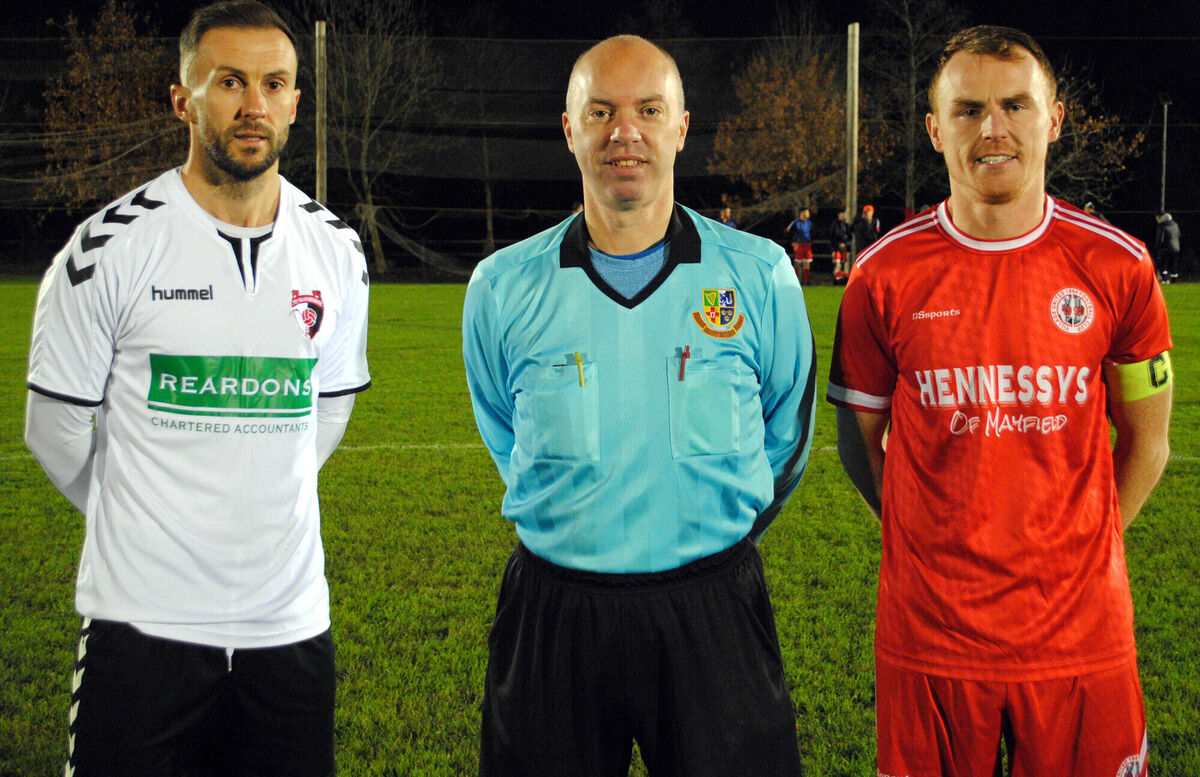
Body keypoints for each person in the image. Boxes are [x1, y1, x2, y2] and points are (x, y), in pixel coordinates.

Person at [24, 2, 371, 775]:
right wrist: (148, 516)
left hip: (289, 629)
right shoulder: (106, 250)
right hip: (142, 627)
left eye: (274, 84)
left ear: (294, 103)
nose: (254, 105)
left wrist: (245, 493)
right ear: (183, 98)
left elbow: (330, 410)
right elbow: (53, 434)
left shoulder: (337, 252)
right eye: (230, 82)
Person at [462, 34, 815, 777]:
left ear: (681, 127)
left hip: (712, 611)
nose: (626, 132)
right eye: (601, 111)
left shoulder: (760, 275)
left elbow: (786, 438)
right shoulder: (501, 287)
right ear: (570, 129)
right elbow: (503, 428)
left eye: (650, 110)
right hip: (554, 616)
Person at [828, 25, 1172, 777]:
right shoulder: (880, 276)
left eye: (1016, 105)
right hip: (932, 635)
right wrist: (919, 534)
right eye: (969, 109)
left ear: (1053, 120)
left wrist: (1083, 551)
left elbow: (1150, 441)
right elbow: (859, 437)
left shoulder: (1119, 266)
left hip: (1082, 634)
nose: (993, 129)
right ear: (935, 128)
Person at [785, 206, 813, 284]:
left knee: (807, 262)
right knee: (797, 262)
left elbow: (810, 232)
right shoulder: (795, 222)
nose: (808, 214)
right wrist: (793, 241)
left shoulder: (809, 222)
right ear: (802, 213)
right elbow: (787, 231)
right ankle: (796, 280)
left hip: (807, 244)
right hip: (798, 244)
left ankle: (806, 281)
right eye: (806, 212)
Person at [1155, 211, 1181, 283]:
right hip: (1176, 248)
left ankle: (1164, 279)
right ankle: (1174, 281)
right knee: (1173, 264)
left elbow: (1160, 238)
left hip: (1166, 248)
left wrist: (1157, 247)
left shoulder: (1162, 226)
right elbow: (1179, 235)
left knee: (1162, 263)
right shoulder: (1175, 224)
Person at [829, 209, 851, 281]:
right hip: (836, 248)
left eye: (844, 214)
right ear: (838, 215)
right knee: (837, 265)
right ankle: (835, 280)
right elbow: (832, 236)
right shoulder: (835, 224)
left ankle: (841, 279)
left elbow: (849, 237)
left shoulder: (846, 224)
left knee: (843, 264)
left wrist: (848, 249)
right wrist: (836, 246)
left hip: (844, 248)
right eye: (842, 214)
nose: (844, 215)